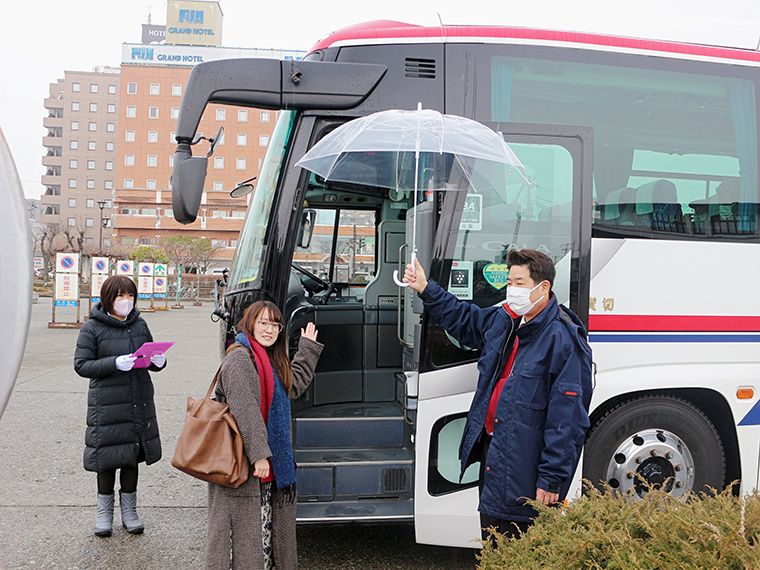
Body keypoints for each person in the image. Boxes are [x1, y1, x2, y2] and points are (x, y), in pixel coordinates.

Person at [403, 249, 592, 539]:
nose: (512, 290)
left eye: (519, 283)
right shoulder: (507, 319)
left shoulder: (563, 339)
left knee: (521, 546)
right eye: (510, 283)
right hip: (496, 452)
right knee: (492, 538)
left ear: (543, 287)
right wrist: (426, 289)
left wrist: (552, 479)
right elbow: (465, 320)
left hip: (525, 465)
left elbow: (567, 421)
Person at [205, 301, 323, 570]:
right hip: (244, 465)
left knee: (265, 541)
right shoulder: (239, 357)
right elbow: (244, 410)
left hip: (268, 469)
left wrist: (306, 348)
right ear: (249, 324)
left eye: (274, 325)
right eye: (263, 322)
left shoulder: (269, 360)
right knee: (242, 544)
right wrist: (259, 456)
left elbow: (294, 386)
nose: (269, 329)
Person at [74, 275, 166, 537]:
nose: (126, 301)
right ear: (107, 298)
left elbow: (148, 355)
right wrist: (114, 363)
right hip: (107, 404)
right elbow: (81, 365)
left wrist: (158, 361)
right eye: (120, 296)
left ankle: (130, 512)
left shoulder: (139, 324)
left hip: (137, 400)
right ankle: (104, 513)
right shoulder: (91, 328)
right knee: (106, 459)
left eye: (130, 296)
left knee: (131, 457)